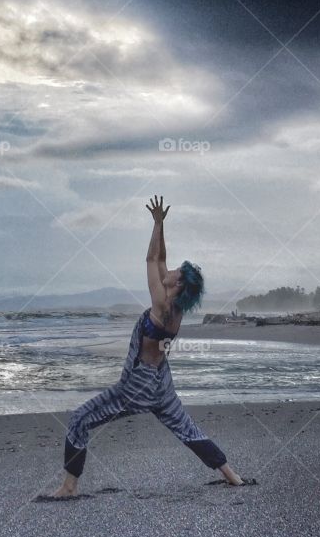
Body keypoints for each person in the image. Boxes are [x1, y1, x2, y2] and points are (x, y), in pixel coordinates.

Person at [51, 195, 246, 497]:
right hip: (161, 380)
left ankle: (68, 486)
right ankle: (232, 476)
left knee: (80, 419)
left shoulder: (161, 304)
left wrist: (156, 224)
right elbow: (161, 259)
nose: (170, 270)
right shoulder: (176, 309)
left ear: (178, 285)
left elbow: (151, 260)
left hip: (139, 384)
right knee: (186, 427)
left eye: (177, 273)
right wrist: (160, 226)